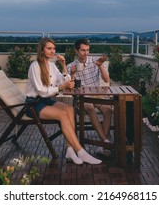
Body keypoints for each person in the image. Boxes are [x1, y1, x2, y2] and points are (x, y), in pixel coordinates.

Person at [25, 37, 102, 165]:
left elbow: (63, 80)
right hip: (33, 104)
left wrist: (64, 65)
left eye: (53, 48)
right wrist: (61, 87)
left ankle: (70, 150)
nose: (52, 51)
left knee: (69, 109)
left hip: (46, 101)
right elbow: (41, 91)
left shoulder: (51, 65)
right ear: (42, 50)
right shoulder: (35, 66)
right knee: (62, 114)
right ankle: (81, 152)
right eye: (49, 48)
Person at [67, 38, 113, 156]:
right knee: (90, 108)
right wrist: (72, 74)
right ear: (76, 51)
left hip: (97, 95)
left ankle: (103, 142)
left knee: (108, 109)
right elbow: (69, 87)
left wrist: (100, 66)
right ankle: (105, 142)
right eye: (83, 50)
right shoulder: (71, 66)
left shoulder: (95, 61)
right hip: (82, 97)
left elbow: (106, 80)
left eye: (87, 50)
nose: (86, 53)